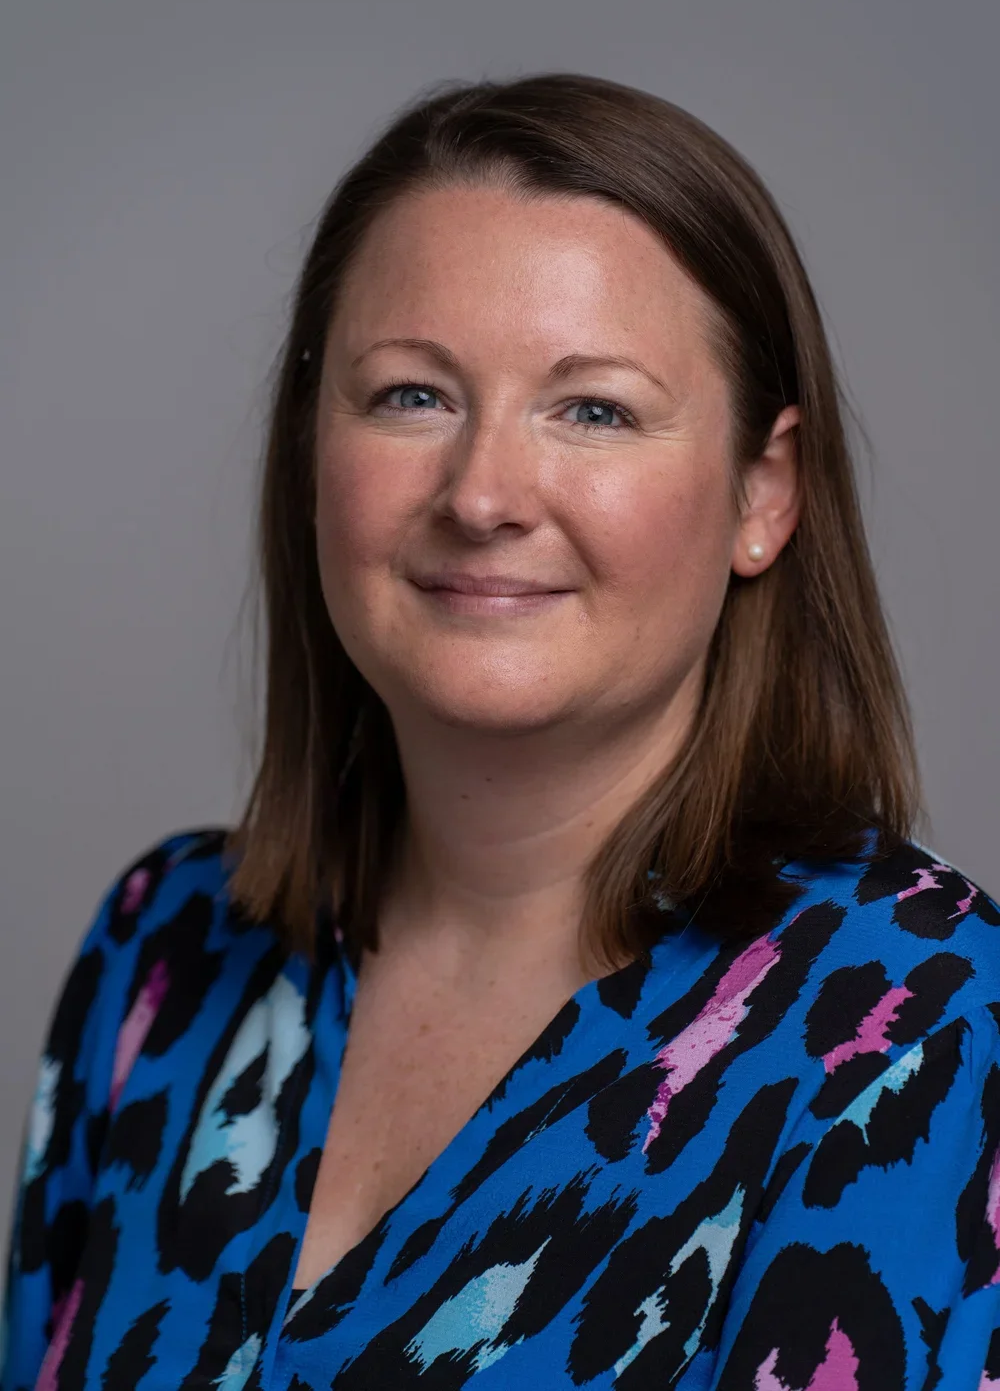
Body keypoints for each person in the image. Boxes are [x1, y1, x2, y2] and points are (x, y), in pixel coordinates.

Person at [3, 73, 998, 1391]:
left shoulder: (920, 1026)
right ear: (312, 447)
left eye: (594, 409)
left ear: (766, 492)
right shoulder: (164, 950)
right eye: (412, 396)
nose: (481, 494)